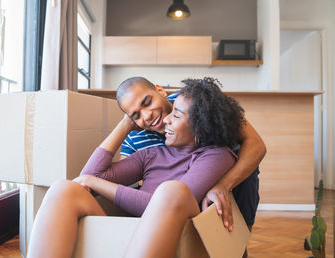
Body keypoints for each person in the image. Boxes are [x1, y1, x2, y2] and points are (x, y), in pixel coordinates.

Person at [27, 78, 245, 258]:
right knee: (63, 189)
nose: (166, 119)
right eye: (136, 115)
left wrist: (93, 182)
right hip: (130, 237)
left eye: (176, 115)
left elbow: (159, 204)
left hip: (178, 239)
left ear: (200, 125)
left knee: (172, 191)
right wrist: (126, 124)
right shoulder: (152, 153)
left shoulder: (218, 155)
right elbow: (89, 176)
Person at [113, 77, 266, 233]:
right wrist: (125, 125)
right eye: (136, 115)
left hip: (225, 182)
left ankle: (241, 240)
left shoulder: (192, 99)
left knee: (242, 157)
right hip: (178, 204)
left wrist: (223, 185)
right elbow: (120, 180)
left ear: (160, 91)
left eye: (147, 102)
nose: (147, 116)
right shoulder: (134, 139)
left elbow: (256, 145)